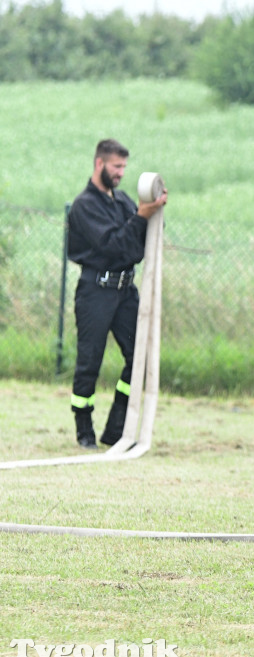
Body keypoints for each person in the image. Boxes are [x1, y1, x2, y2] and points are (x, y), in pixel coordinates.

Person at [67, 139, 168, 448]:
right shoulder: (85, 206)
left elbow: (136, 247)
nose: (122, 173)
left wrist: (147, 213)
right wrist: (140, 217)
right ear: (100, 164)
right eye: (116, 166)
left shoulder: (123, 201)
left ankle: (117, 430)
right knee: (89, 363)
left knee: (139, 356)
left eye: (124, 166)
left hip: (125, 291)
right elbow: (113, 245)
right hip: (95, 291)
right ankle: (84, 431)